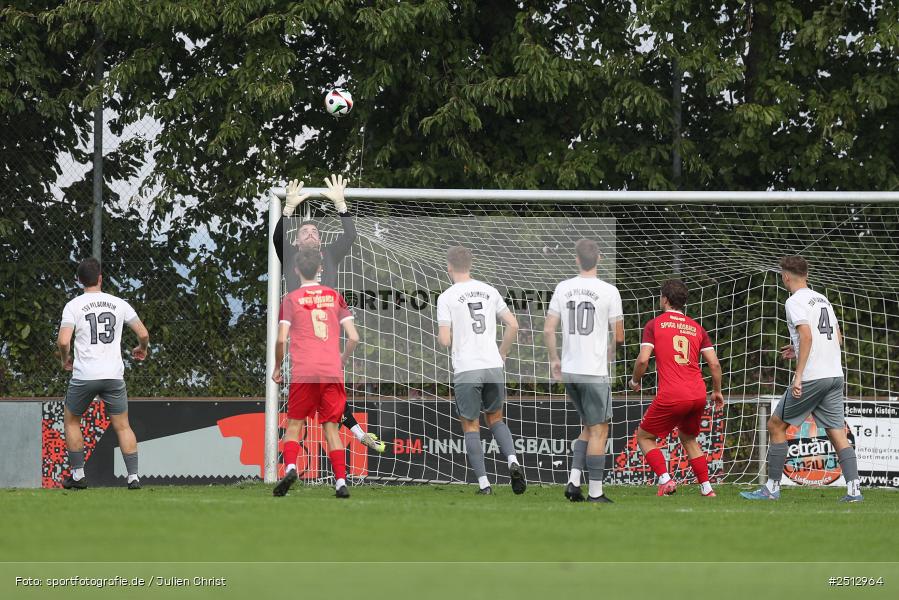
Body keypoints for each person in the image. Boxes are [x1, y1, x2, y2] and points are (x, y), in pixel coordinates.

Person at [273, 174, 384, 453]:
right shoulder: (290, 257)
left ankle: (358, 433)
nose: (311, 234)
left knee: (327, 391)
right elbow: (277, 237)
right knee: (318, 392)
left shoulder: (330, 255)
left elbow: (350, 236)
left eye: (315, 232)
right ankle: (358, 433)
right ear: (296, 242)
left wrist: (341, 205)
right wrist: (288, 209)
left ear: (321, 241)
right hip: (301, 336)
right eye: (304, 232)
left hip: (327, 334)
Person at [742, 256, 862, 502]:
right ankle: (854, 491)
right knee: (837, 433)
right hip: (834, 375)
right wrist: (797, 349)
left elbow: (806, 336)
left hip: (812, 377)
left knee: (776, 425)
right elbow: (837, 339)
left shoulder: (794, 301)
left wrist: (798, 376)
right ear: (806, 275)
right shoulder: (822, 299)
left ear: (785, 276)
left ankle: (771, 488)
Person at [437, 246, 525, 495]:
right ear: (470, 265)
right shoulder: (490, 291)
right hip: (493, 365)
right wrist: (502, 352)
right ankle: (513, 461)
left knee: (471, 425)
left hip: (467, 368)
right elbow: (513, 325)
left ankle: (485, 485)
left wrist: (449, 336)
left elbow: (445, 340)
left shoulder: (447, 297)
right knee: (496, 419)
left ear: (449, 267)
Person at [272, 247, 360, 498]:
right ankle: (341, 482)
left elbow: (281, 340)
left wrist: (277, 367)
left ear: (296, 270)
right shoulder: (334, 296)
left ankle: (291, 468)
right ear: (320, 269)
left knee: (294, 425)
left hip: (304, 372)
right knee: (331, 429)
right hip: (331, 371)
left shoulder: (291, 299)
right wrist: (341, 361)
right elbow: (354, 337)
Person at [56, 257, 150, 490]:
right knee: (123, 425)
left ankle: (78, 476)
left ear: (79, 281)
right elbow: (143, 334)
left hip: (84, 376)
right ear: (100, 278)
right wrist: (142, 348)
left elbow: (63, 340)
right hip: (113, 376)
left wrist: (65, 359)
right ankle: (133, 477)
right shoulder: (119, 303)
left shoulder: (73, 306)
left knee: (71, 421)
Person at [544, 239, 624, 503]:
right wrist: (611, 350)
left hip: (570, 370)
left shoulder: (563, 287)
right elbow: (619, 336)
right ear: (599, 258)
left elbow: (548, 329)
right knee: (600, 430)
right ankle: (596, 492)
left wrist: (554, 359)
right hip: (593, 370)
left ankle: (573, 481)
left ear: (577, 259)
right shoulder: (609, 291)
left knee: (589, 426)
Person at [628, 280, 724, 497]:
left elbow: (643, 360)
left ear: (665, 299)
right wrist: (717, 391)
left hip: (673, 393)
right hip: (698, 394)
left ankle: (665, 480)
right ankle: (707, 489)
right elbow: (715, 364)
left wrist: (634, 381)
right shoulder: (697, 328)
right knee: (689, 438)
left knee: (644, 437)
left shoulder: (654, 324)